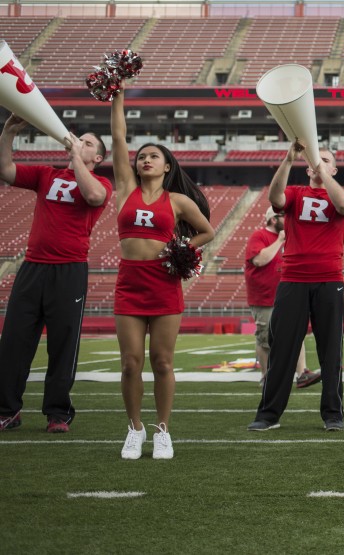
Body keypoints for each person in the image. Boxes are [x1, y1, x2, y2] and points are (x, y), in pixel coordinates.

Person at [111, 89, 214, 460]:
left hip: (164, 283)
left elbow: (207, 232)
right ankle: (135, 429)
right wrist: (117, 97)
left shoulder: (178, 201)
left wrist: (182, 250)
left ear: (167, 165)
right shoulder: (125, 189)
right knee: (130, 362)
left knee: (163, 361)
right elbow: (119, 137)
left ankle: (163, 431)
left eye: (153, 156)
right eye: (141, 157)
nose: (145, 160)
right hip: (130, 283)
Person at [0, 116, 112, 433]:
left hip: (69, 270)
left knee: (63, 344)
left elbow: (92, 197)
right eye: (81, 140)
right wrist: (7, 133)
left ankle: (57, 413)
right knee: (14, 341)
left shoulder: (101, 183)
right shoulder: (45, 174)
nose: (80, 143)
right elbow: (5, 170)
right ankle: (7, 410)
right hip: (33, 267)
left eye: (88, 143)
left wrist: (76, 156)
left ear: (98, 158)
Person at [247, 144, 344, 433]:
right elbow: (274, 198)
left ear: (334, 169)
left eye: (327, 161)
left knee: (331, 352)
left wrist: (323, 173)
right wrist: (288, 158)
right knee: (282, 349)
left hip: (330, 280)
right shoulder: (296, 193)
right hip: (293, 280)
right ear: (306, 167)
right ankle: (268, 414)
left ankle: (333, 414)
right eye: (315, 161)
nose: (319, 164)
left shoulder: (342, 196)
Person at [244, 206, 321, 389]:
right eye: (283, 216)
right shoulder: (259, 236)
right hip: (264, 298)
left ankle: (302, 374)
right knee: (265, 339)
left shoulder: (289, 237)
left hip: (287, 295)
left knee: (297, 333)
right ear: (273, 219)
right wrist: (279, 241)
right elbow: (259, 260)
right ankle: (266, 377)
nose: (287, 219)